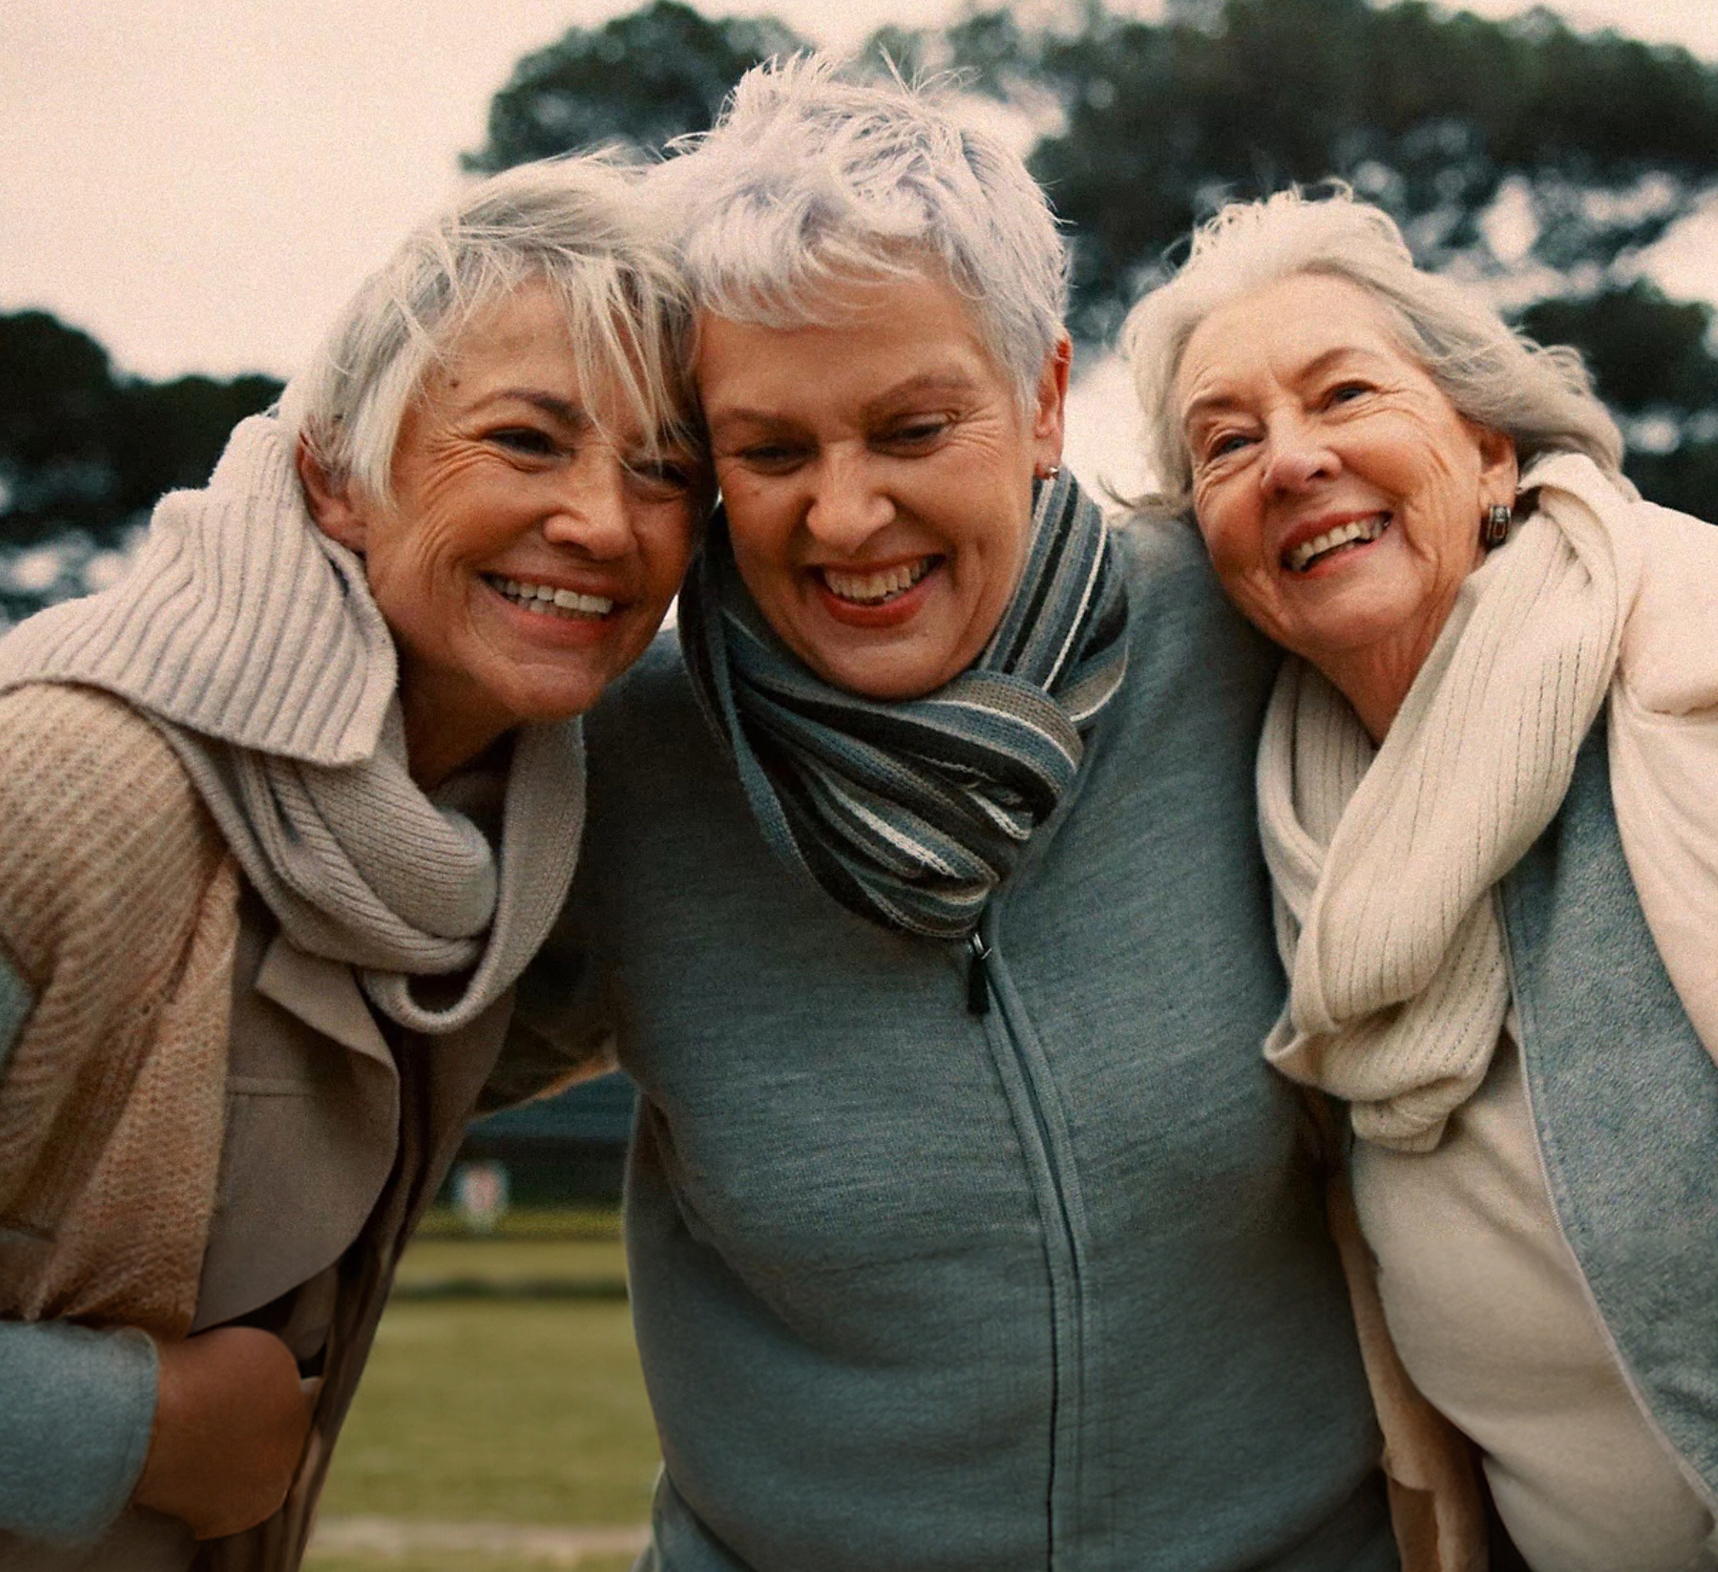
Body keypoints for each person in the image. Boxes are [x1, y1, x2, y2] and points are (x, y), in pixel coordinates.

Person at [518, 58, 1398, 1572]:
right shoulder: (617, 763)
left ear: (1045, 398)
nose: (844, 516)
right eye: (772, 451)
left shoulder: (1249, 635)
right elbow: (334, 1072)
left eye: (913, 431)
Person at [0, 154, 701, 1570]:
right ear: (333, 476)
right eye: (524, 440)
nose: (603, 522)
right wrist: (126, 1433)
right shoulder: (65, 794)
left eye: (663, 470)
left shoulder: (485, 865)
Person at [1122, 187, 1718, 1572]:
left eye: (1342, 395)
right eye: (1225, 443)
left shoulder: (1687, 669)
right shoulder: (1285, 839)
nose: (1290, 461)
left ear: (1488, 450)